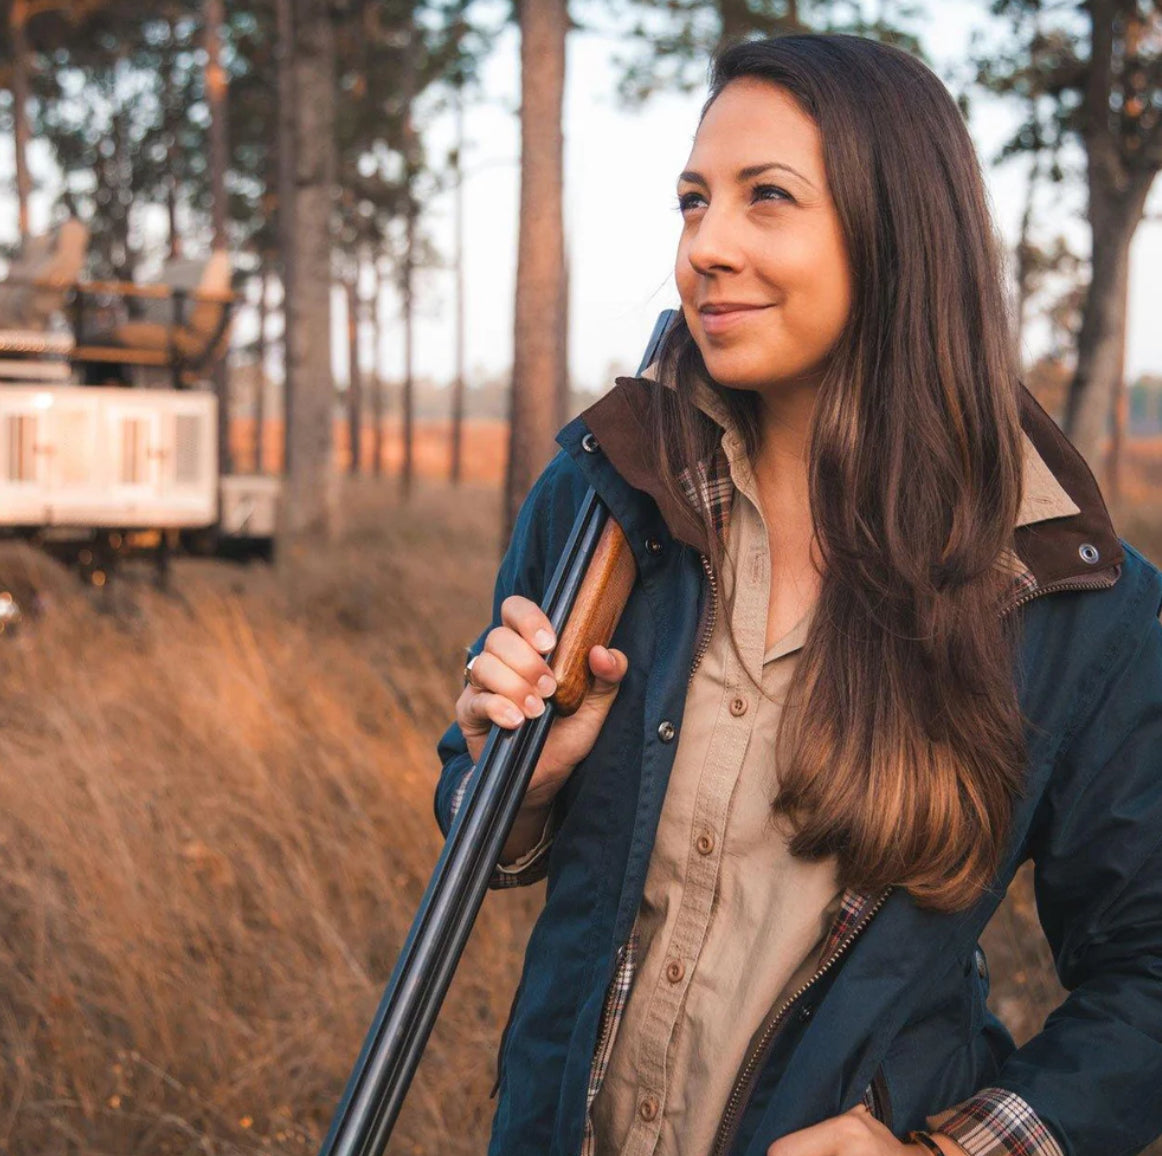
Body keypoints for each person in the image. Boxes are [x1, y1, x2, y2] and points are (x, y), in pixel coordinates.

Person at [434, 33, 1162, 1156]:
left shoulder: (1068, 599)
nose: (705, 246)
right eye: (691, 200)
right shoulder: (600, 507)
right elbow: (481, 828)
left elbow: (1147, 974)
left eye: (765, 197)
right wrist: (515, 778)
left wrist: (949, 1154)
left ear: (898, 233)